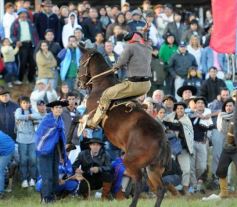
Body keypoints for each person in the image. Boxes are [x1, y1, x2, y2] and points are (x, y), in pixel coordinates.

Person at [86, 32, 152, 128]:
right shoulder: (148, 47)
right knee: (123, 94)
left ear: (130, 40)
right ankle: (136, 105)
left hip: (135, 85)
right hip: (147, 85)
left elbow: (121, 62)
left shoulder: (130, 47)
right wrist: (145, 31)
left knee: (106, 95)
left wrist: (115, 67)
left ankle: (93, 122)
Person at [35, 100, 69, 203]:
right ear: (52, 109)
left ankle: (52, 197)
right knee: (47, 176)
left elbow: (59, 140)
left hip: (55, 151)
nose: (59, 109)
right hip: (44, 151)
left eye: (60, 108)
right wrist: (55, 129)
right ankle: (46, 198)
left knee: (54, 176)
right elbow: (41, 136)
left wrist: (62, 155)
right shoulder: (47, 120)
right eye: (57, 107)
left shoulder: (60, 121)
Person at [163, 102, 194, 194]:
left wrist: (175, 127)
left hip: (183, 149)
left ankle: (185, 188)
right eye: (178, 108)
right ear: (175, 110)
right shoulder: (168, 118)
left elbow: (187, 133)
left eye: (182, 108)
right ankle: (168, 189)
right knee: (168, 169)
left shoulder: (187, 120)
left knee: (186, 169)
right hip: (170, 149)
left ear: (184, 110)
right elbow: (164, 127)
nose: (180, 110)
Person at [15, 96, 41, 188]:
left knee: (33, 160)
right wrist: (30, 117)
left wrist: (28, 116)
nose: (26, 105)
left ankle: (32, 178)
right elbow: (18, 116)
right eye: (24, 103)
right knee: (23, 160)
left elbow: (38, 116)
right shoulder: (18, 110)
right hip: (21, 139)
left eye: (27, 103)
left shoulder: (32, 110)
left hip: (32, 139)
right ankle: (24, 179)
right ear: (20, 104)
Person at [0, 131, 15, 199]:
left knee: (0, 170)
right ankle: (10, 164)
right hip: (8, 145)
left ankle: (1, 192)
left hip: (7, 150)